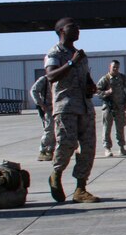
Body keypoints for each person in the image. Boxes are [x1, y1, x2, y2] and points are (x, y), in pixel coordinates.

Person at [43, 18, 101, 203]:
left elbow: (85, 75)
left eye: (78, 26)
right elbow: (51, 76)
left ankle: (80, 189)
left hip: (84, 107)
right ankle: (56, 174)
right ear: (61, 30)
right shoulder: (55, 53)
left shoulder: (79, 54)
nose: (77, 29)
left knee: (88, 147)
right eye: (72, 27)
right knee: (67, 144)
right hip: (66, 107)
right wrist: (71, 63)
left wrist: (90, 85)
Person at [96, 59, 126, 157]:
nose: (116, 69)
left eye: (117, 67)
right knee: (107, 128)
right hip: (108, 107)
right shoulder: (105, 79)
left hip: (120, 107)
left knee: (120, 128)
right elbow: (97, 91)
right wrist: (107, 92)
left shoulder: (122, 78)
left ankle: (121, 148)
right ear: (110, 67)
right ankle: (107, 148)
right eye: (114, 67)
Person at [30, 74, 54, 161]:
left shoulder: (62, 77)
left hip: (59, 108)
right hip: (48, 109)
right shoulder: (44, 79)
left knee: (58, 131)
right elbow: (33, 91)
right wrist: (40, 104)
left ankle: (51, 150)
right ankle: (43, 150)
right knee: (49, 130)